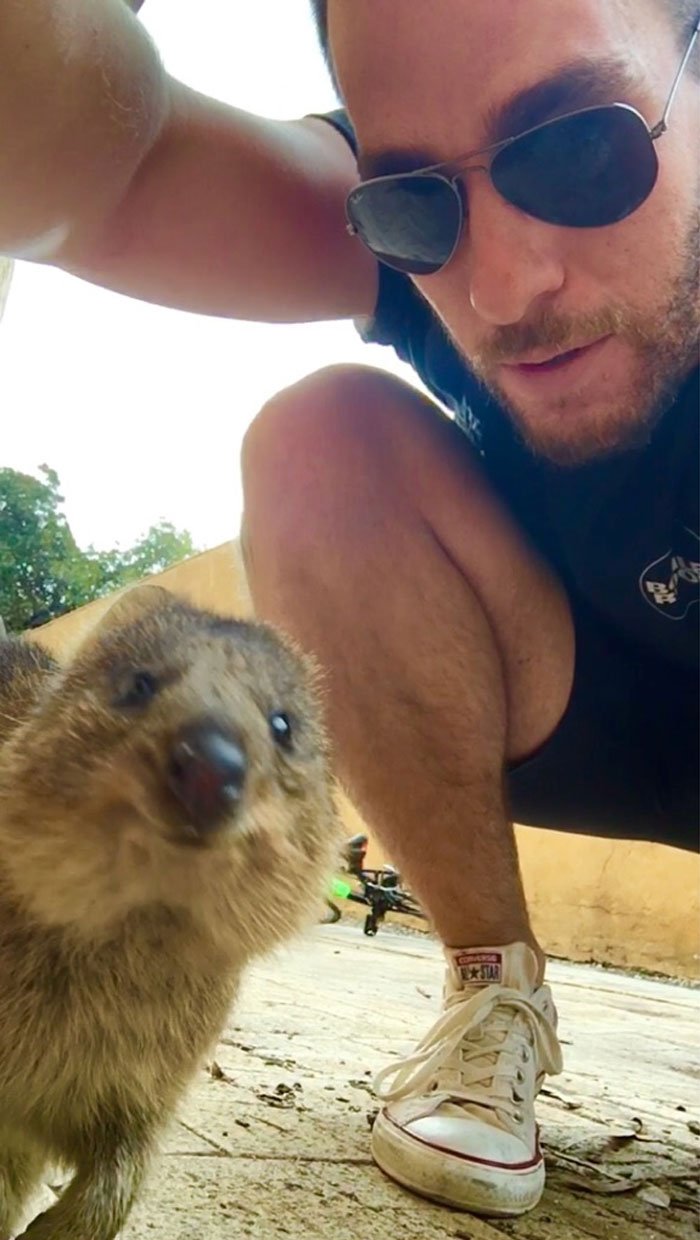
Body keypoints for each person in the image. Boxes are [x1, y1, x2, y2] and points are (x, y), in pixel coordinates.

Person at [1, 0, 698, 1219]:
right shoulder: (443, 260)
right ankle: (493, 991)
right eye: (415, 201)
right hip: (582, 701)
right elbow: (107, 165)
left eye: (580, 145)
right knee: (319, 442)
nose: (503, 282)